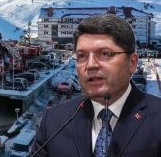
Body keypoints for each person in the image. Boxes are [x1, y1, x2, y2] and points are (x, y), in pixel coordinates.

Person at [31, 14, 161, 157]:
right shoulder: (53, 122)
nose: (90, 65)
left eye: (105, 53)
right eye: (82, 56)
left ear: (132, 62)